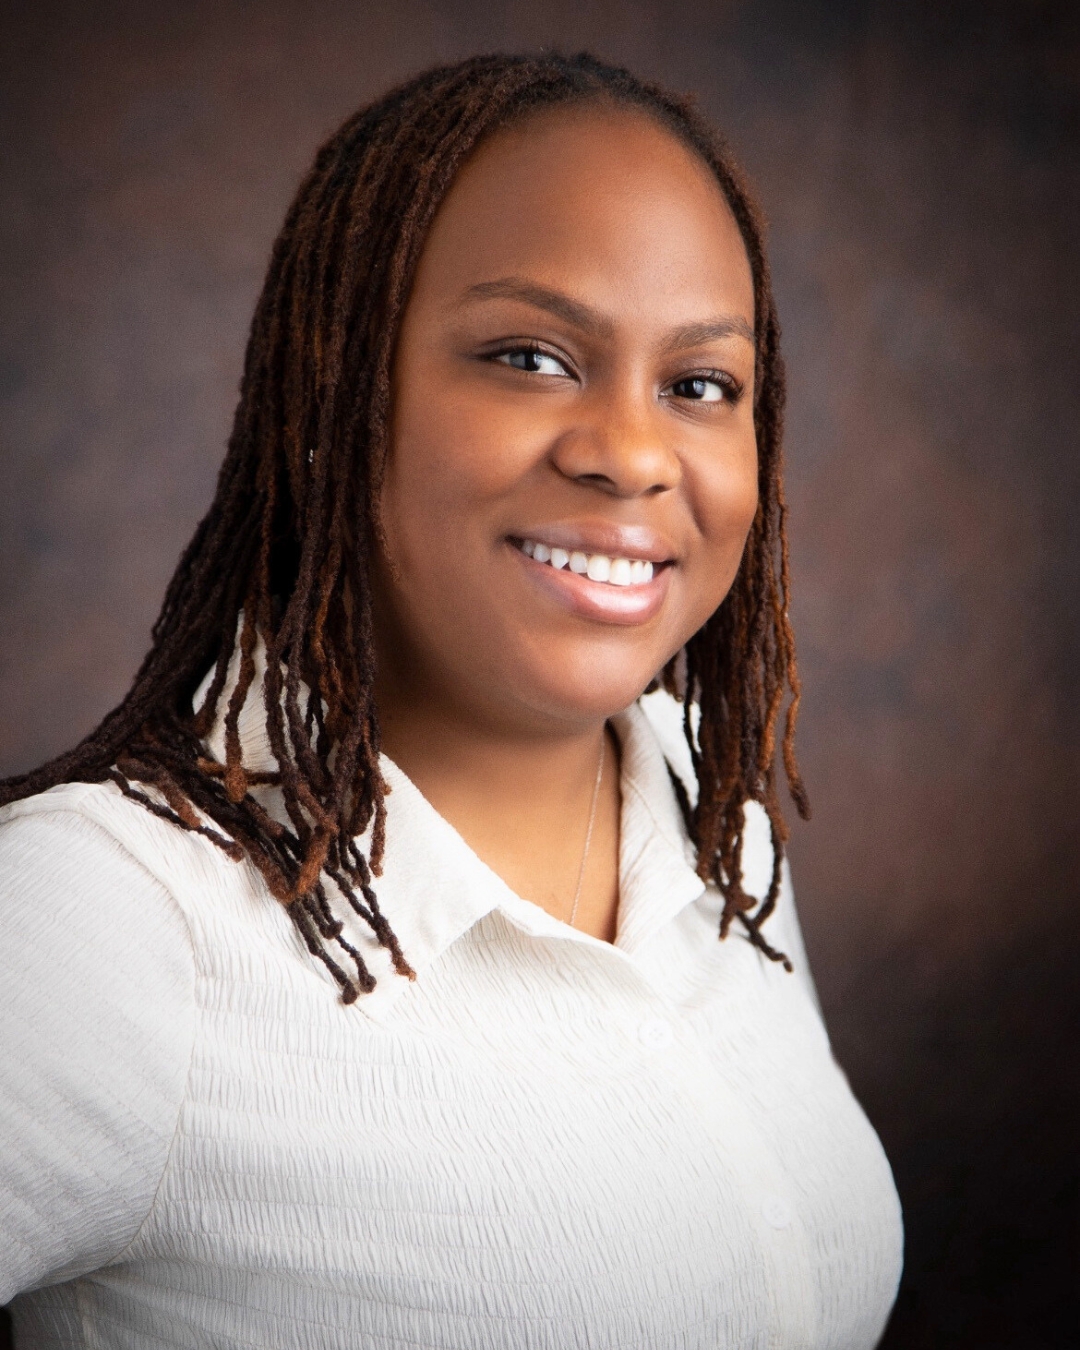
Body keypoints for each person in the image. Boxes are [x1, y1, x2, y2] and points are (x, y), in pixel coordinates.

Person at [0, 51, 902, 1350]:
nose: (635, 453)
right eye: (531, 356)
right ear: (335, 400)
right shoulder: (116, 911)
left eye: (700, 384)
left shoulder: (714, 817)